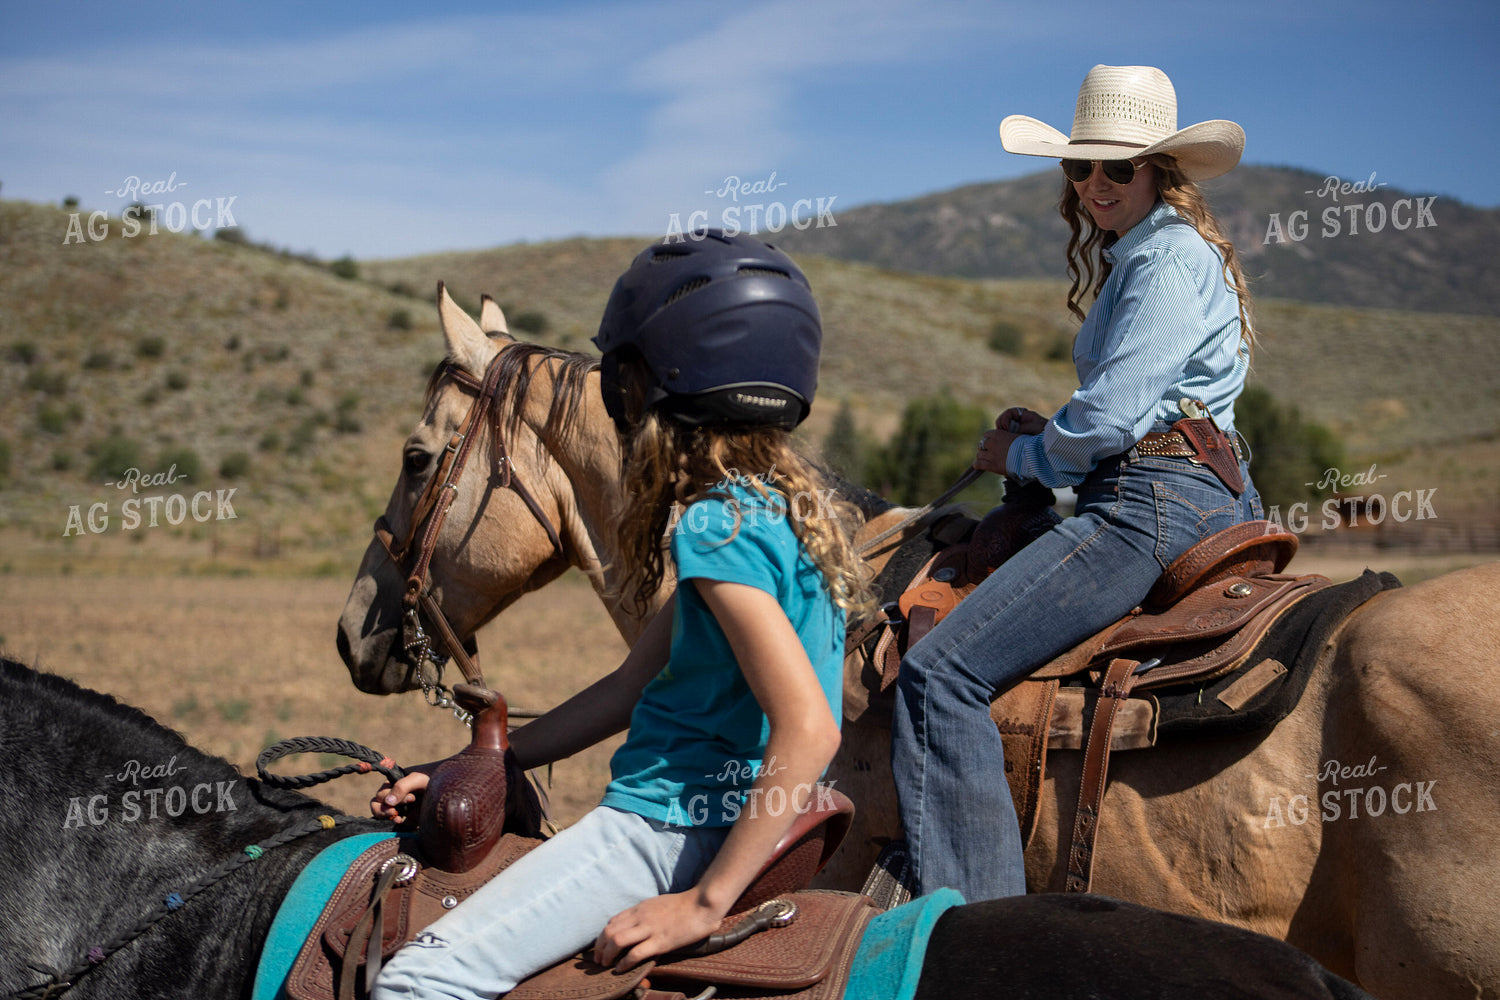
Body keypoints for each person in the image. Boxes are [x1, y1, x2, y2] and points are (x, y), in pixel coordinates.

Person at [369, 230, 872, 1000]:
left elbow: (809, 727)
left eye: (622, 381)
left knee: (419, 979)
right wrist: (486, 765)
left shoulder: (713, 528)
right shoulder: (785, 516)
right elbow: (630, 687)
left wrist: (704, 904)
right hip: (741, 826)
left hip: (663, 830)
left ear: (657, 389)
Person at [890, 64, 1264, 902]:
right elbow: (1126, 408)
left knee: (939, 675)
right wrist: (1052, 432)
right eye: (1079, 166)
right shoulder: (1159, 253)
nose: (1095, 184)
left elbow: (1108, 425)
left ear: (1158, 170)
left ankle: (978, 934)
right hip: (1192, 485)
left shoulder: (1162, 261)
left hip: (1151, 504)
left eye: (1117, 168)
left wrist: (1018, 459)